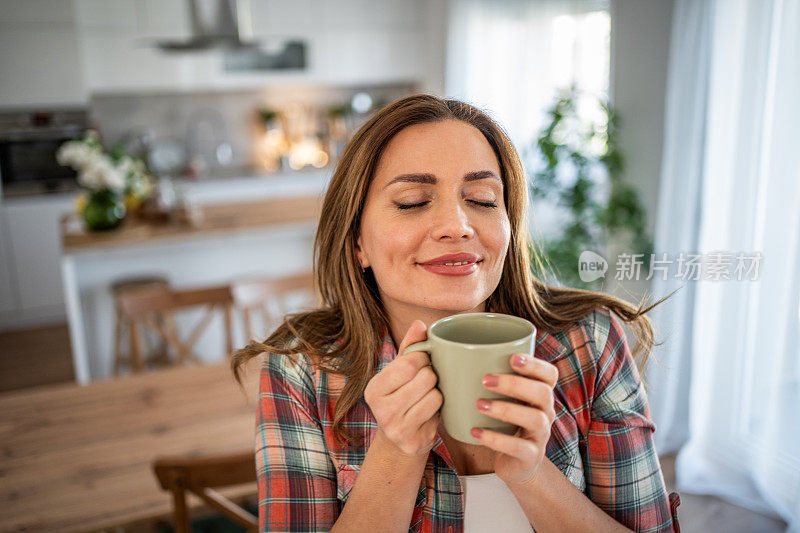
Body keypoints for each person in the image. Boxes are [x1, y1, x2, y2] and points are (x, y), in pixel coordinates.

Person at [231, 94, 681, 532]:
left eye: (483, 200)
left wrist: (531, 475)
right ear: (357, 242)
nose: (458, 226)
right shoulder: (299, 370)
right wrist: (396, 452)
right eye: (412, 201)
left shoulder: (590, 342)